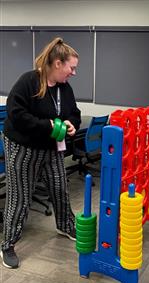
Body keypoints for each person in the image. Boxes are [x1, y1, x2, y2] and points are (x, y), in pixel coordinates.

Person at [0, 37, 81, 269]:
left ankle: (65, 225)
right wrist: (50, 125)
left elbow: (73, 112)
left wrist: (72, 124)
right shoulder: (28, 81)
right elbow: (16, 115)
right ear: (57, 63)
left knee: (59, 187)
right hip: (23, 146)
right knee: (20, 197)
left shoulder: (65, 88)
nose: (73, 73)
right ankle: (8, 244)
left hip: (51, 147)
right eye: (71, 67)